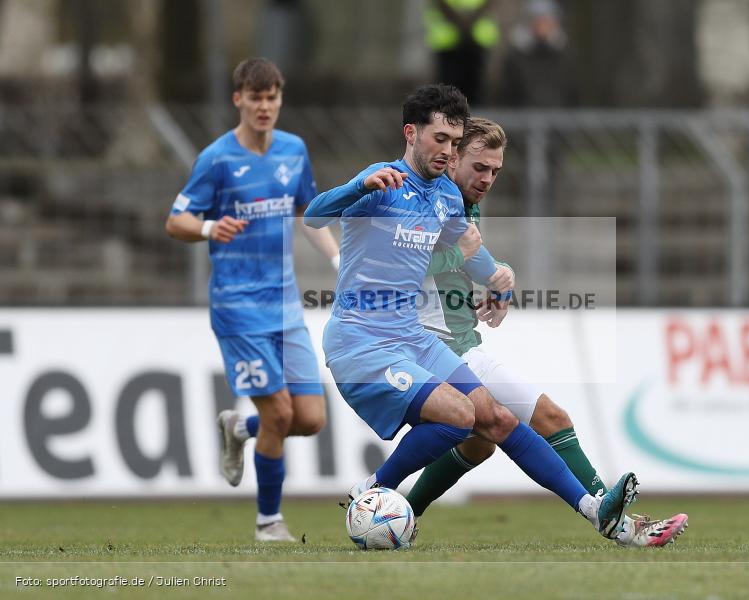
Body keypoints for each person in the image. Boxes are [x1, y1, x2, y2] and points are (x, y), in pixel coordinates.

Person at [304, 83, 638, 541]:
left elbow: (471, 253)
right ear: (411, 133)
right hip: (361, 341)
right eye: (439, 138)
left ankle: (593, 509)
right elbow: (313, 217)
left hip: (413, 339)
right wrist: (357, 186)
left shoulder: (444, 197)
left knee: (496, 419)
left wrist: (499, 275)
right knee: (461, 417)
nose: (447, 150)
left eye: (454, 142)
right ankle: (375, 487)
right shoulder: (383, 180)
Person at [409, 117, 689, 547]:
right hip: (435, 350)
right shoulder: (430, 203)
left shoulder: (464, 204)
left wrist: (501, 277)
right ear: (452, 160)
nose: (487, 179)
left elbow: (475, 257)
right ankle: (615, 522)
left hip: (464, 345)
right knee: (534, 422)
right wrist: (488, 270)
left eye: (496, 171)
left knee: (489, 441)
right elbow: (401, 266)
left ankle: (401, 513)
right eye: (479, 167)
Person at [165, 58, 340, 542]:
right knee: (279, 413)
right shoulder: (217, 159)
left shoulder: (293, 150)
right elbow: (175, 221)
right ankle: (269, 523)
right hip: (238, 306)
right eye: (255, 98)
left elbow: (308, 211)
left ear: (280, 99)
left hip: (284, 306)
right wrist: (207, 227)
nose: (264, 107)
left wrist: (336, 260)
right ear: (238, 100)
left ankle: (241, 429)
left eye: (272, 97)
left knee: (310, 419)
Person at [499, 0, 576, 107]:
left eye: (547, 21)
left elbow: (571, 93)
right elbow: (506, 95)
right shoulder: (515, 58)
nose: (543, 26)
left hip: (560, 120)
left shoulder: (564, 57)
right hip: (522, 120)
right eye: (538, 21)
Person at [425, 0, 499, 105]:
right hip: (449, 42)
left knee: (474, 93)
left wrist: (463, 22)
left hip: (475, 40)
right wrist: (465, 22)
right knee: (447, 94)